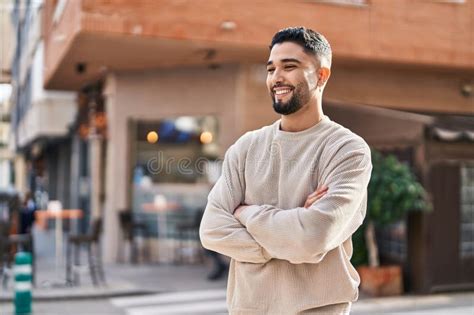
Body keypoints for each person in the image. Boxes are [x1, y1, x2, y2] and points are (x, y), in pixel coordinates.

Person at [199, 26, 372, 314]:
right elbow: (213, 229)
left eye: (289, 67)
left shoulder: (347, 149)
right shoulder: (246, 147)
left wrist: (247, 214)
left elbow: (313, 236)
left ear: (321, 75)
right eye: (271, 69)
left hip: (318, 309)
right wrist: (287, 236)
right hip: (249, 308)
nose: (276, 78)